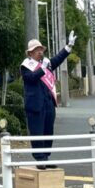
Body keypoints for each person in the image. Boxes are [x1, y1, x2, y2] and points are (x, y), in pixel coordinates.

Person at [20, 32, 76, 168]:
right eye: (36, 50)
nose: (39, 52)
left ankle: (46, 156)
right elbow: (31, 78)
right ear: (30, 53)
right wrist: (42, 69)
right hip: (35, 105)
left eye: (40, 49)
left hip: (48, 103)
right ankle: (40, 158)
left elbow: (57, 59)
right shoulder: (26, 66)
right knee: (37, 131)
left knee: (48, 131)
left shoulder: (46, 63)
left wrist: (68, 47)